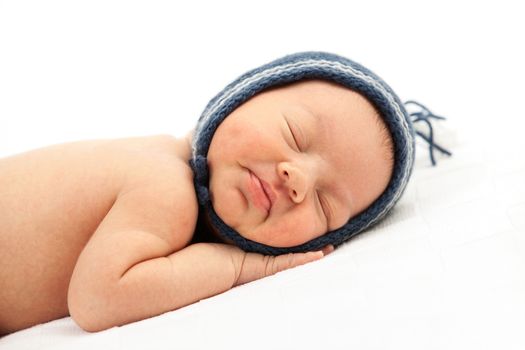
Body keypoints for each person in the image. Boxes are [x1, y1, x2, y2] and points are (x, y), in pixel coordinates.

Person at [0, 52, 422, 335]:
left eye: (324, 204)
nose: (298, 179)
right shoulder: (165, 185)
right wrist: (237, 268)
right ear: (239, 100)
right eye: (295, 133)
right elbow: (96, 300)